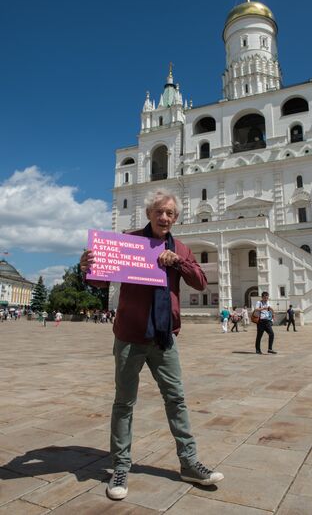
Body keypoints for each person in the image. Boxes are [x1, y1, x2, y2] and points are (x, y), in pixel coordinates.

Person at [80, 188, 224, 501]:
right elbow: (101, 280)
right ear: (149, 214)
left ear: (175, 218)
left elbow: (200, 281)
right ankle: (120, 466)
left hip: (163, 337)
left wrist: (178, 264)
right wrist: (87, 266)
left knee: (176, 399)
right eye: (159, 211)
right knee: (124, 403)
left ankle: (188, 462)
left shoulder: (181, 248)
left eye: (170, 213)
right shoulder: (130, 241)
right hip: (131, 336)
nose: (164, 217)